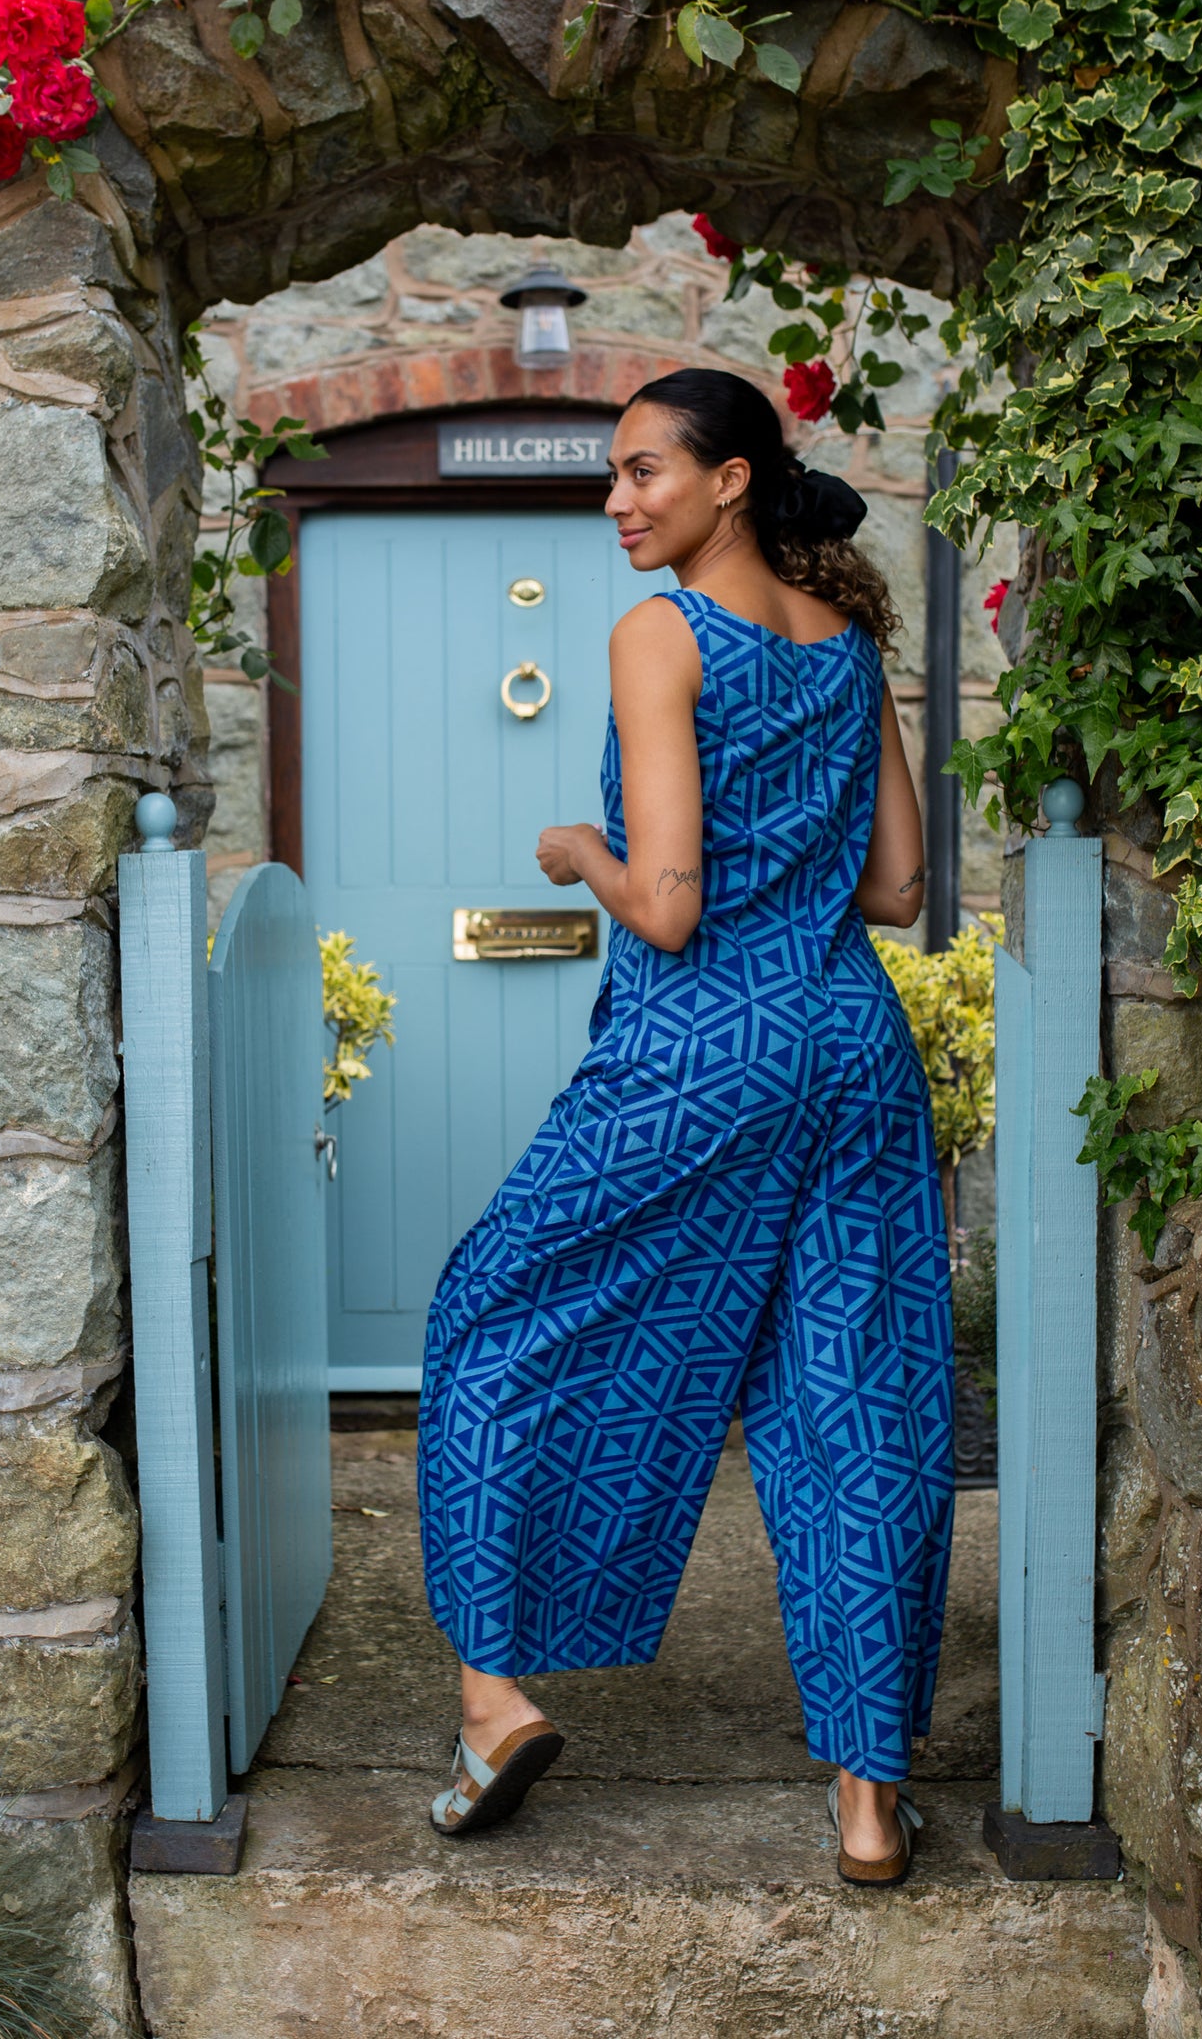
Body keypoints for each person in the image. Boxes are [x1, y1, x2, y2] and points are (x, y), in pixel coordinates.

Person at [416, 367, 954, 1888]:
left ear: (731, 480)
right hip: (851, 1041)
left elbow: (666, 905)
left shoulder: (661, 636)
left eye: (644, 471)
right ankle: (866, 1800)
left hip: (702, 1047)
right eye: (611, 475)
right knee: (851, 1393)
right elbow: (898, 890)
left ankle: (494, 1701)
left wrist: (577, 844)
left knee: (485, 1318)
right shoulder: (849, 643)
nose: (616, 500)